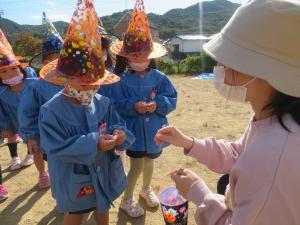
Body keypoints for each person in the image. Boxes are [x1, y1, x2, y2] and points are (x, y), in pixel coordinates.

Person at [155, 1, 300, 224]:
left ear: (266, 70)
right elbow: (238, 154)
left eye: (232, 57)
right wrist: (188, 143)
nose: (221, 65)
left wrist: (200, 194)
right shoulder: (273, 119)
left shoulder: (270, 161)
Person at [38, 1, 134, 225]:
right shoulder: (51, 110)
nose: (90, 90)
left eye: (95, 84)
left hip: (105, 170)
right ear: (65, 79)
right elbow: (54, 147)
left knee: (104, 204)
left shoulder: (103, 102)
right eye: (84, 85)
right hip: (73, 177)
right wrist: (94, 143)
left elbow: (119, 126)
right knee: (76, 213)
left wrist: (121, 135)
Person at [110, 0, 177, 217]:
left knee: (150, 162)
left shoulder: (160, 77)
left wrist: (158, 104)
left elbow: (172, 98)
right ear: (126, 57)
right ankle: (126, 199)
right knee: (136, 166)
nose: (139, 60)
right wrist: (133, 106)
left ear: (150, 57)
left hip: (155, 129)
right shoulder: (119, 80)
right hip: (134, 132)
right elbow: (115, 105)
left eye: (143, 57)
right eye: (134, 57)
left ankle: (146, 189)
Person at [18, 11, 64, 189]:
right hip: (47, 135)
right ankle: (50, 182)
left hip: (71, 135)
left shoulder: (75, 82)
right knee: (54, 166)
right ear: (44, 62)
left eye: (61, 58)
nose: (56, 63)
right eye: (50, 60)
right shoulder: (36, 86)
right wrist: (31, 136)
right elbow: (28, 113)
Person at [0, 28, 37, 171]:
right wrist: (4, 127)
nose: (10, 73)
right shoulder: (3, 92)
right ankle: (14, 156)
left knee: (36, 142)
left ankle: (30, 154)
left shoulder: (33, 82)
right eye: (4, 71)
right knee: (13, 130)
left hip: (34, 120)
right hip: (13, 114)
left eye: (14, 69)